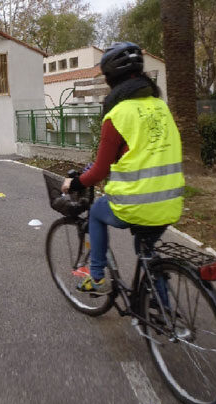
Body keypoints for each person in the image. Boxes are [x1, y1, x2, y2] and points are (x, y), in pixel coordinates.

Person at [62, 42, 185, 295]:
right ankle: (163, 312)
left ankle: (96, 277)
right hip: (172, 201)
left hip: (136, 203)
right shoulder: (161, 107)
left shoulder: (117, 115)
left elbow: (99, 172)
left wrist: (73, 184)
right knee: (147, 252)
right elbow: (138, 153)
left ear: (110, 79)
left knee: (96, 212)